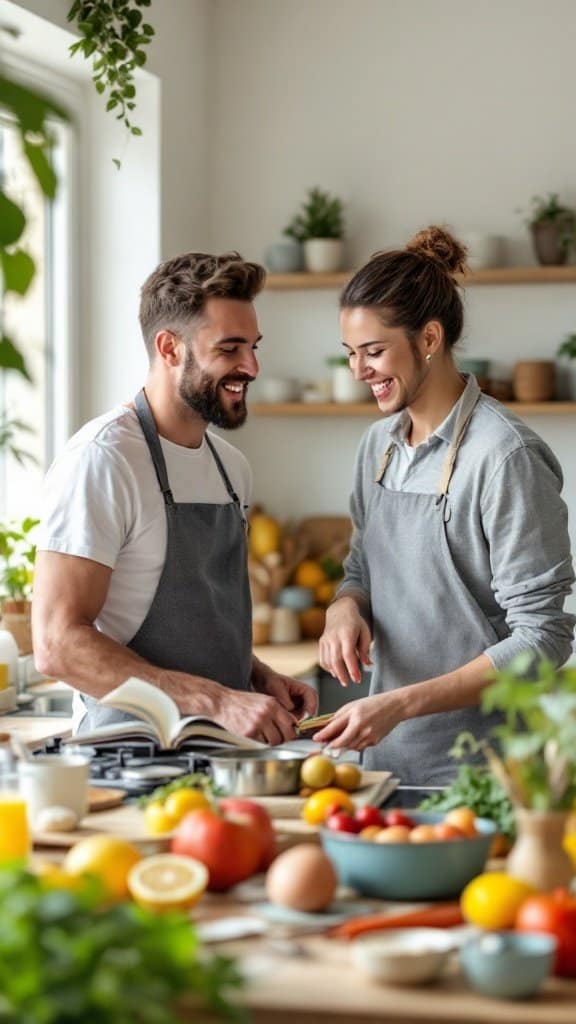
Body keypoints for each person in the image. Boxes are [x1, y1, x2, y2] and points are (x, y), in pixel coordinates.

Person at [315, 226, 575, 785]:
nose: (359, 372)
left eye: (374, 351)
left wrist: (401, 704)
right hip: (386, 763)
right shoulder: (378, 446)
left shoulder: (505, 456)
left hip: (489, 770)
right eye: (351, 355)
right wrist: (345, 609)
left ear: (429, 338)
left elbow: (542, 638)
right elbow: (363, 567)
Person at [32, 251, 318, 743]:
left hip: (226, 754)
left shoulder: (232, 468)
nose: (251, 366)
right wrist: (216, 699)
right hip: (130, 762)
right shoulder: (103, 460)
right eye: (230, 349)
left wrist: (253, 675)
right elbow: (57, 644)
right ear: (169, 348)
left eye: (253, 346)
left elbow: (193, 624)